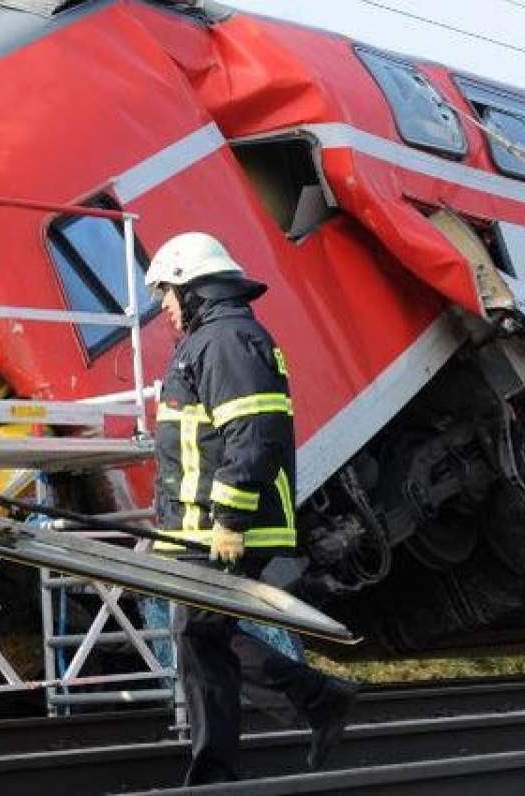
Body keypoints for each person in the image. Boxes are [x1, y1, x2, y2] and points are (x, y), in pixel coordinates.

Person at [145, 231, 358, 785]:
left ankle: (235, 758)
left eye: (167, 292)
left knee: (199, 637)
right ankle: (313, 701)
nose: (164, 307)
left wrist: (229, 520)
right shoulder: (216, 340)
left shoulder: (226, 342)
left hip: (220, 529)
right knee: (203, 637)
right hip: (199, 528)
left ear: (193, 286)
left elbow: (255, 434)